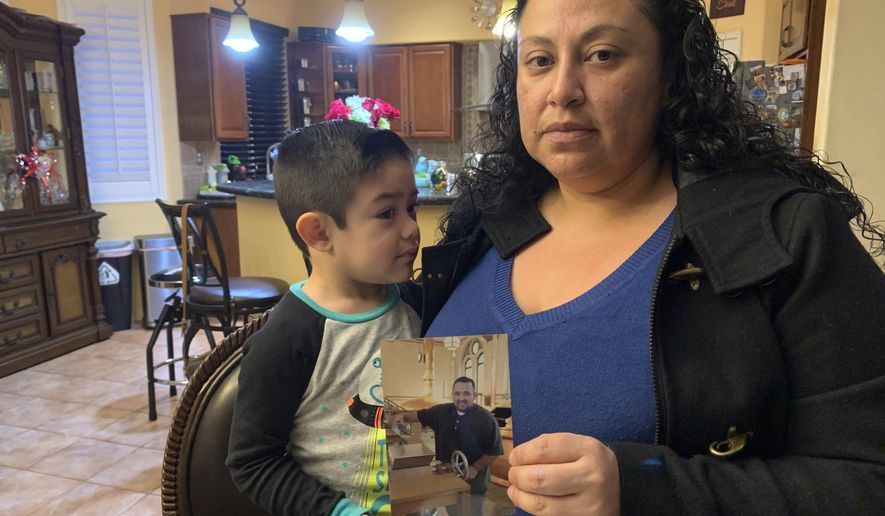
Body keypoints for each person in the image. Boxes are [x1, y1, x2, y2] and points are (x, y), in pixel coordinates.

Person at [420, 0, 885, 515]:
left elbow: (866, 479)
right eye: (540, 60)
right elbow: (441, 470)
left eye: (601, 55)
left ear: (669, 77)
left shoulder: (785, 235)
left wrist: (646, 489)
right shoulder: (482, 224)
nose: (561, 91)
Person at [226, 120, 422, 516]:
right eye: (388, 213)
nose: (413, 228)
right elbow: (252, 462)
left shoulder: (420, 304)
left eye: (411, 208)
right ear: (319, 232)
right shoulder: (287, 339)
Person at [391, 377, 504, 515]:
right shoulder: (441, 412)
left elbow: (493, 452)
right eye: (457, 393)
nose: (461, 398)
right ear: (452, 395)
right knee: (452, 511)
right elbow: (419, 415)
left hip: (473, 482)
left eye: (466, 393)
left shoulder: (486, 420)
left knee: (470, 513)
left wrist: (475, 467)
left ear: (474, 395)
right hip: (445, 477)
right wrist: (403, 416)